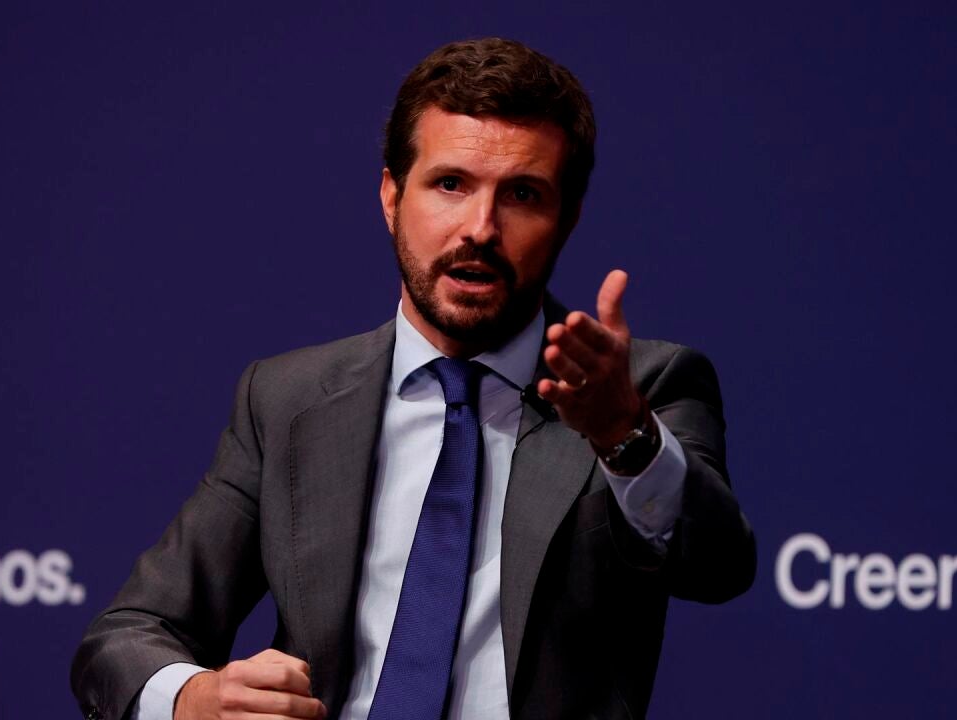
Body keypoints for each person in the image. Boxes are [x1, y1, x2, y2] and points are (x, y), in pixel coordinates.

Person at [71, 37, 755, 720]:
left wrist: (623, 436)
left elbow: (718, 564)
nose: (480, 229)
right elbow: (127, 635)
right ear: (392, 197)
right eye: (450, 184)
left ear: (567, 219)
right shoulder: (287, 401)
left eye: (522, 194)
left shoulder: (639, 391)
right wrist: (194, 699)